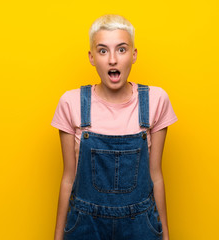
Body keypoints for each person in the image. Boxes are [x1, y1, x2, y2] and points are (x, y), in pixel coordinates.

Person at [51, 14, 178, 240]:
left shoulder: (156, 100)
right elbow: (68, 179)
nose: (112, 60)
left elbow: (156, 176)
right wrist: (58, 236)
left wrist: (165, 235)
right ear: (91, 57)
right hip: (85, 227)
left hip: (140, 226)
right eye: (103, 51)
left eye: (121, 49)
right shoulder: (71, 103)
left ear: (134, 54)